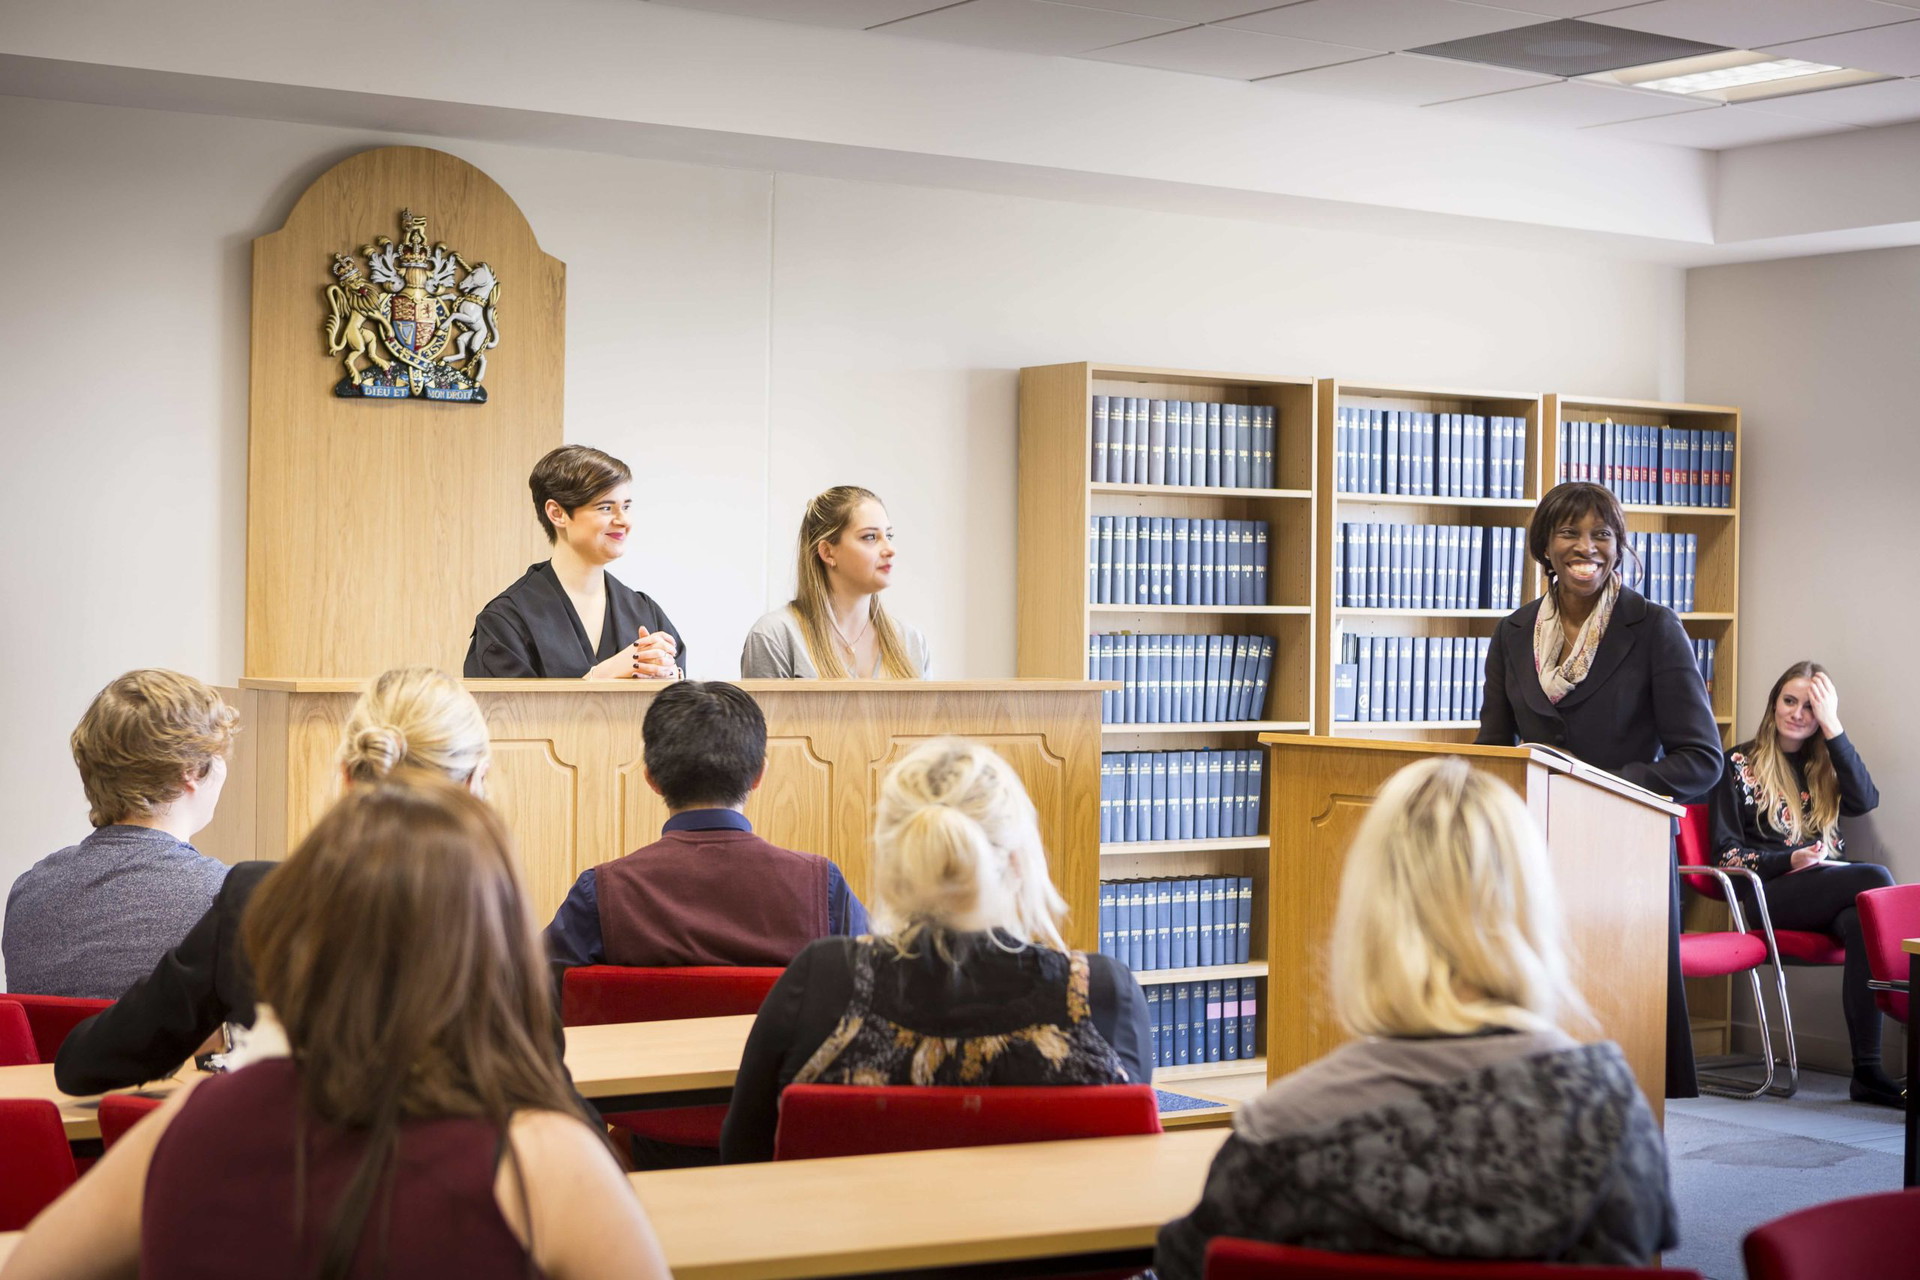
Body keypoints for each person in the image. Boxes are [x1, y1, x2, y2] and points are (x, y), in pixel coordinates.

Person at [5, 777, 668, 1280]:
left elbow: (30, 1265)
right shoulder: (544, 1162)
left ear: (294, 933)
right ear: (493, 951)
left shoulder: (186, 1127)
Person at [1155, 758, 1676, 1277]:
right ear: (1529, 911)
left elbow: (1189, 1265)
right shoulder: (1609, 1108)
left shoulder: (1275, 1134)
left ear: (1370, 917)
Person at [56, 667, 492, 1095]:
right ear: (474, 786)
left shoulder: (258, 901)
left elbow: (83, 1064)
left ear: (346, 775)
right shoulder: (495, 917)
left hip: (297, 1162)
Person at [719, 737, 1148, 1163]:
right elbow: (1133, 1174)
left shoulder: (823, 979)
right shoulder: (1102, 993)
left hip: (853, 1231)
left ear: (893, 860)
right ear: (1019, 860)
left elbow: (743, 1156)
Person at [1478, 481, 1722, 1097]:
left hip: (1623, 857)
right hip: (1536, 855)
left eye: (1601, 534)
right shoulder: (1513, 634)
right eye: (1569, 533)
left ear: (1618, 548)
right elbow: (1492, 749)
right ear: (1545, 546)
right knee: (1537, 1041)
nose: (1585, 547)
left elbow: (1701, 759)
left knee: (1619, 1045)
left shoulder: (1654, 628)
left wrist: (1599, 787)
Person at [544, 679, 868, 972]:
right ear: (759, 775)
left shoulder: (602, 892)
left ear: (651, 778)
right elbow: (878, 992)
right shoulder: (822, 886)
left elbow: (531, 996)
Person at [1709, 661, 1900, 1106]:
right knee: (1875, 879)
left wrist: (1834, 725)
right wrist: (1789, 859)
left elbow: (1865, 801)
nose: (1798, 713)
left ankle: (1867, 1073)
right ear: (1773, 704)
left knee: (1859, 921)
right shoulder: (1736, 762)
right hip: (1765, 896)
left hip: (1827, 892)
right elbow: (1725, 855)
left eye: (1811, 707)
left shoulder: (1824, 767)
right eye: (1789, 701)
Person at [4, 670, 235, 999]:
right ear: (192, 771)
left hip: (55, 1054)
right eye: (218, 755)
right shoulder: (225, 898)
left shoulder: (30, 889)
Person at [465, 444, 686, 679]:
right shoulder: (506, 622)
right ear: (557, 513)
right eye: (606, 507)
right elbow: (503, 713)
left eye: (626, 507)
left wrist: (672, 679)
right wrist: (599, 677)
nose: (624, 521)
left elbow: (680, 709)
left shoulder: (646, 613)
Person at [741, 485, 929, 678]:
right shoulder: (774, 636)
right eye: (870, 537)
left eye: (888, 535)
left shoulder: (911, 642)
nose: (890, 549)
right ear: (827, 552)